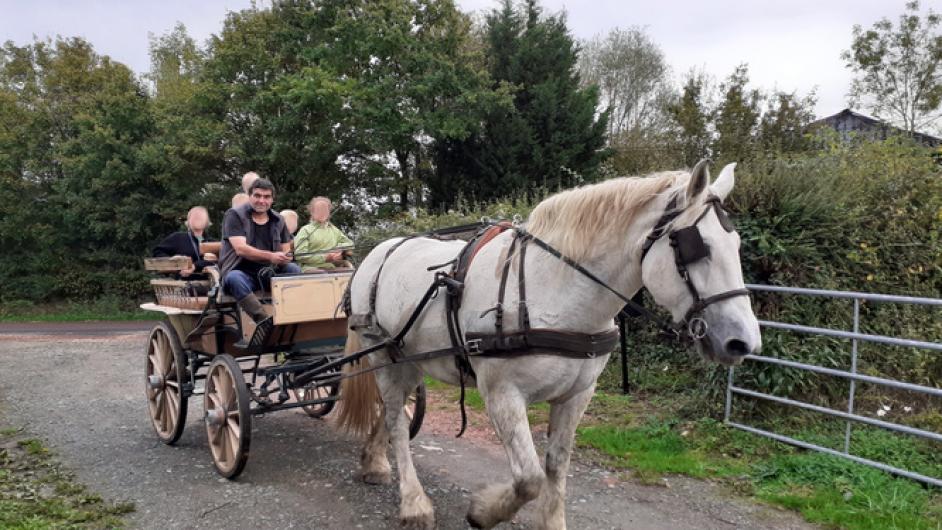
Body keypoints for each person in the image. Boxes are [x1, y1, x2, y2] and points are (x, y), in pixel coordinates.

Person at [220, 178, 300, 347]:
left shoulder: (279, 220)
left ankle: (294, 318)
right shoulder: (234, 215)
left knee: (293, 269)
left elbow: (286, 250)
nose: (262, 200)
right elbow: (240, 249)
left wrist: (286, 257)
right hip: (241, 270)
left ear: (272, 199)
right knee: (234, 278)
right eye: (257, 195)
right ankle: (263, 321)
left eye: (266, 197)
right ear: (250, 196)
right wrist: (271, 256)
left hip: (269, 272)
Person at [293, 196, 354, 271]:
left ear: (329, 212)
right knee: (322, 275)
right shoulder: (305, 230)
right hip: (310, 268)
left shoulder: (333, 230)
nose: (322, 213)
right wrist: (324, 258)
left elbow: (350, 244)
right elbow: (299, 255)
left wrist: (338, 249)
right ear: (312, 212)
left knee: (350, 272)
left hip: (331, 267)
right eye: (318, 210)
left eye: (325, 210)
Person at [152, 206, 215, 277]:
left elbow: (216, 262)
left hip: (210, 284)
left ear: (207, 221)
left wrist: (195, 266)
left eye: (201, 216)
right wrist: (172, 260)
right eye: (195, 216)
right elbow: (157, 252)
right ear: (188, 221)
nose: (198, 218)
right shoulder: (177, 238)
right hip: (182, 284)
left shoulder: (213, 243)